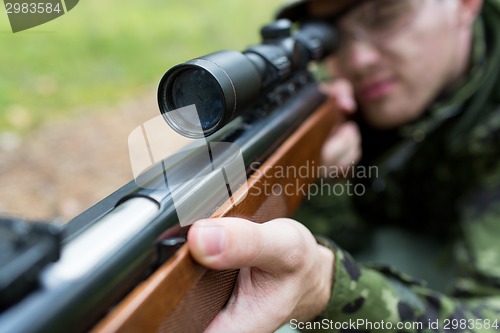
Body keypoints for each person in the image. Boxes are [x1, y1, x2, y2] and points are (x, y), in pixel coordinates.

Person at [187, 0, 500, 331]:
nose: (358, 60)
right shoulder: (335, 98)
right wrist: (321, 180)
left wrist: (327, 290)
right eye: (333, 36)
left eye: (386, 16)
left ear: (465, 4)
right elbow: (349, 236)